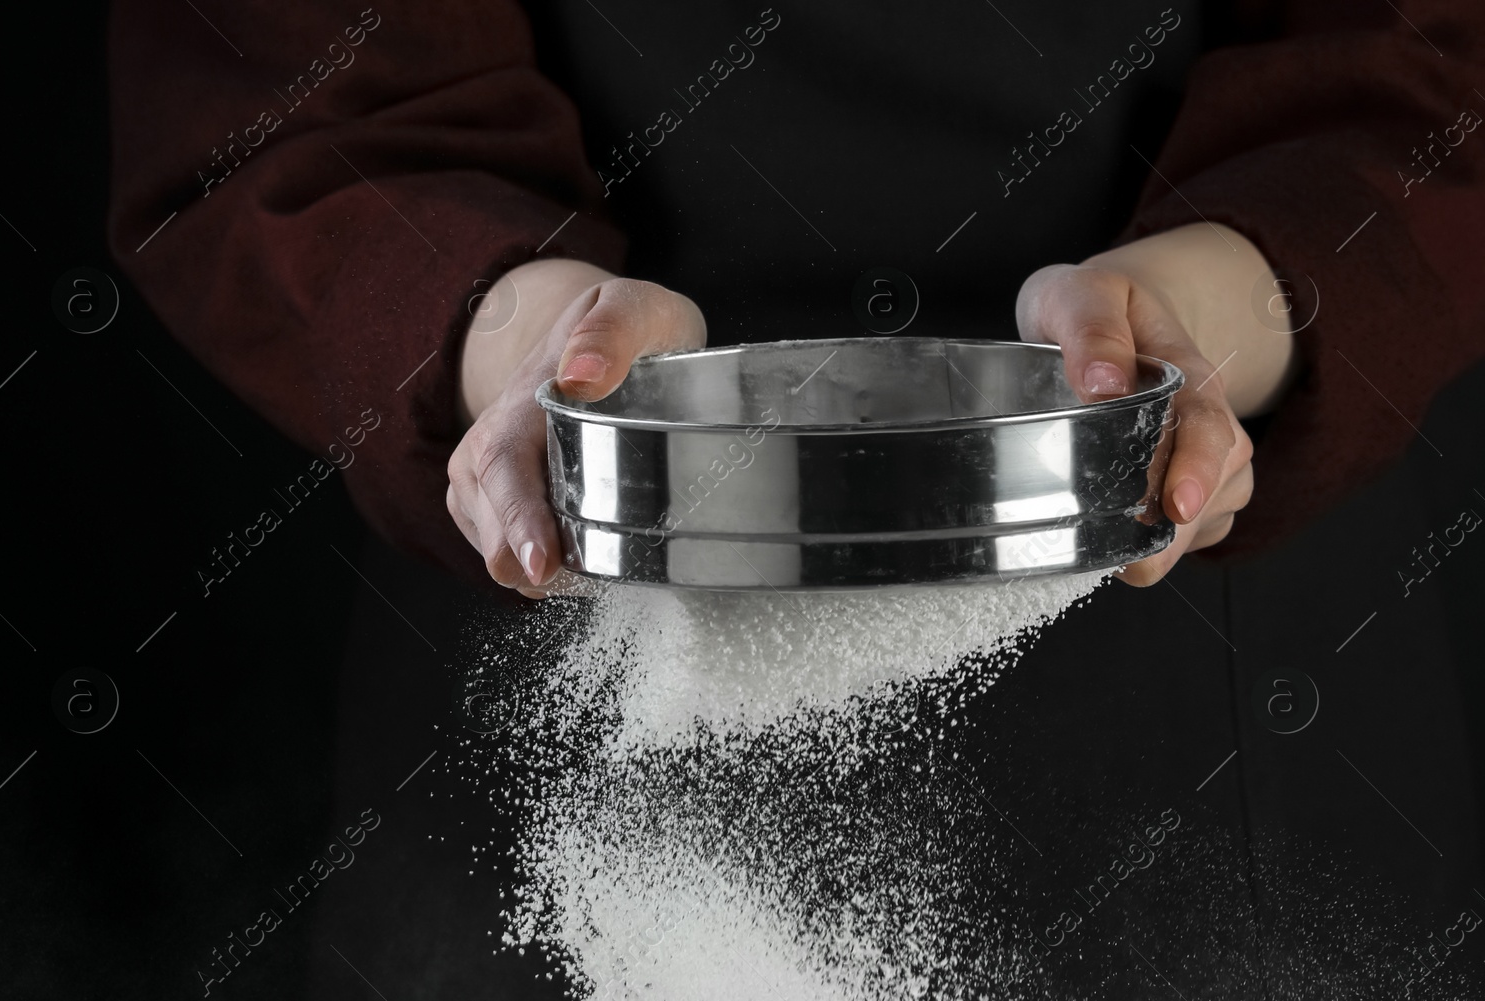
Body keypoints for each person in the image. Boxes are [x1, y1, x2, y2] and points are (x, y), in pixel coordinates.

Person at [110, 0, 1485, 995]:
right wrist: (533, 350)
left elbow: (1422, 69)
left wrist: (1187, 326)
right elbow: (291, 99)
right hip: (568, 641)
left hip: (1209, 663)